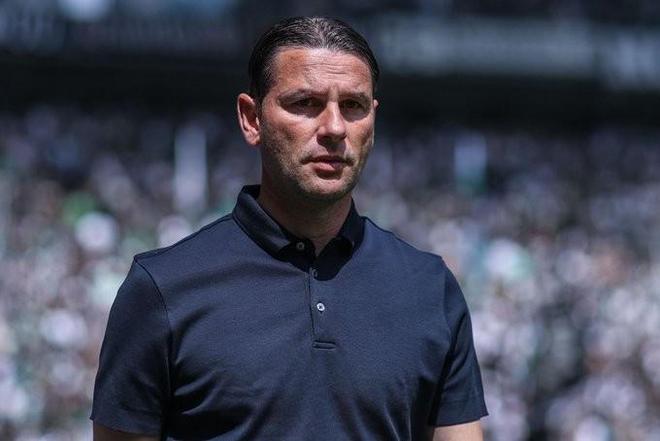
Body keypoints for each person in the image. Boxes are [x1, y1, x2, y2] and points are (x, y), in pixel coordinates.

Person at [90, 16, 488, 441]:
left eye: (352, 106)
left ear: (372, 121)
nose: (334, 128)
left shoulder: (430, 288)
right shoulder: (162, 290)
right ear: (252, 118)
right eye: (305, 103)